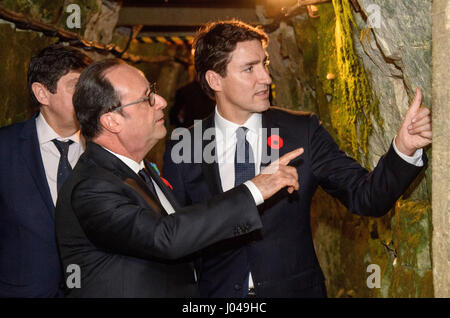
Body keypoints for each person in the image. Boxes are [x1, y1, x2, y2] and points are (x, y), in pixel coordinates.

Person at [162, 20, 432, 298]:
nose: (266, 77)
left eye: (264, 64)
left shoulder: (301, 131)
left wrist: (403, 148)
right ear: (214, 80)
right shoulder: (185, 147)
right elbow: (172, 238)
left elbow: (366, 196)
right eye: (249, 68)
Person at [54, 58, 303, 297]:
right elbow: (166, 237)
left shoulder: (141, 171)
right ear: (112, 121)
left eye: (154, 91)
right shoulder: (92, 186)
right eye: (147, 98)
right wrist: (254, 189)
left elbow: (187, 233)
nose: (161, 101)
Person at [0, 44, 92, 297]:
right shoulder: (5, 149)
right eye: (76, 86)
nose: (88, 97)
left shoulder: (105, 150)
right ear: (42, 93)